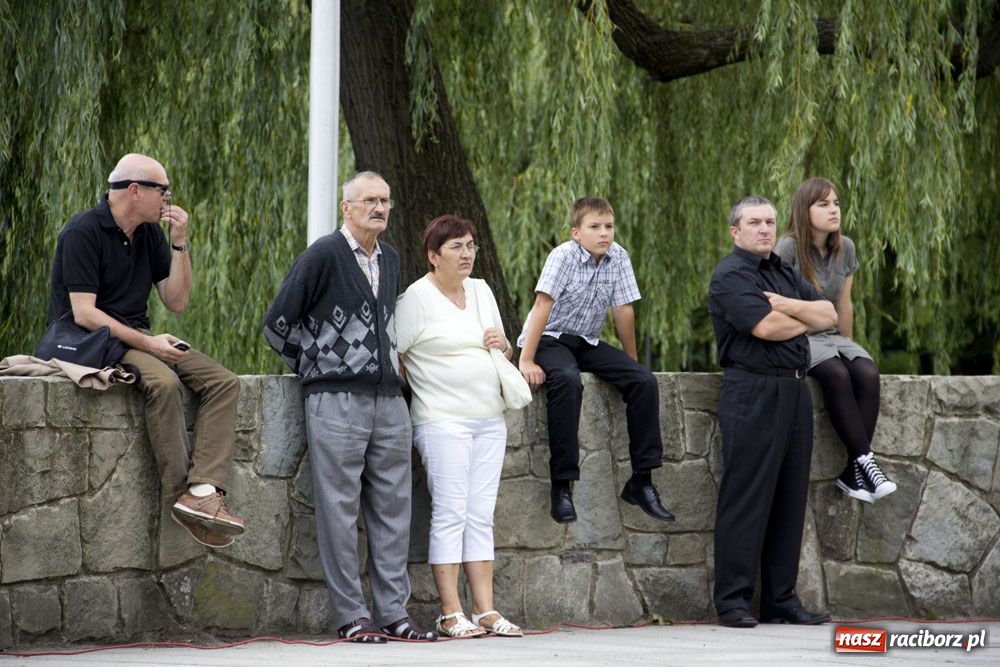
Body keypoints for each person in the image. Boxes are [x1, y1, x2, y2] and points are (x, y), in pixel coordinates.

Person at [263, 171, 435, 644]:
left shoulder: (392, 258)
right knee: (338, 510)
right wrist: (317, 365)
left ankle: (394, 612)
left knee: (394, 509)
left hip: (388, 401)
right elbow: (277, 323)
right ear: (347, 207)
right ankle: (352, 616)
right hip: (335, 401)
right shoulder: (323, 255)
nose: (378, 208)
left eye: (385, 200)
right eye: (368, 200)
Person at [47, 153, 245, 549]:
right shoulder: (83, 232)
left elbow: (176, 302)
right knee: (163, 382)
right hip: (92, 341)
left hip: (136, 335)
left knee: (223, 382)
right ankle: (180, 496)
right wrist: (149, 344)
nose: (168, 199)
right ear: (135, 191)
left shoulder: (152, 233)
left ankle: (203, 491)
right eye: (162, 190)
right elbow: (85, 314)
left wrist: (180, 244)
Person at [708, 195, 837, 628]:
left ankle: (781, 600)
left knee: (789, 498)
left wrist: (789, 307)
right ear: (735, 231)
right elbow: (766, 327)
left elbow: (830, 313)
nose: (765, 229)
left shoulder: (782, 271)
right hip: (753, 391)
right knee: (747, 496)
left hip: (796, 391)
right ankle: (732, 602)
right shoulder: (729, 276)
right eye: (754, 222)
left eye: (770, 222)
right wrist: (802, 316)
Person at [396, 215, 524, 638]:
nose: (467, 254)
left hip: (489, 418)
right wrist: (427, 383)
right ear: (434, 257)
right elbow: (395, 352)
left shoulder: (481, 289)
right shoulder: (415, 298)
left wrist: (502, 345)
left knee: (480, 514)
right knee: (450, 513)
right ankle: (450, 612)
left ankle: (485, 609)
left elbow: (504, 347)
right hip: (442, 420)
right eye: (456, 247)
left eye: (471, 246)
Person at [517, 197, 673, 525]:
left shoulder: (618, 257)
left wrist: (632, 365)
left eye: (608, 226)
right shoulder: (562, 257)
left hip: (586, 341)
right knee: (568, 380)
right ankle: (562, 487)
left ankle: (641, 480)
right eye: (594, 227)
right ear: (576, 232)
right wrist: (526, 359)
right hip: (551, 338)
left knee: (644, 381)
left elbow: (623, 310)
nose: (604, 233)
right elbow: (542, 306)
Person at [773, 177, 896, 503]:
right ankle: (867, 463)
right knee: (837, 375)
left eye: (837, 203)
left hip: (831, 335)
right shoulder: (787, 248)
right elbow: (775, 302)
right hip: (799, 334)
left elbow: (844, 303)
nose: (833, 210)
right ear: (805, 209)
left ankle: (851, 471)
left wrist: (849, 347)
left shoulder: (846, 248)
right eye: (823, 204)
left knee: (866, 372)